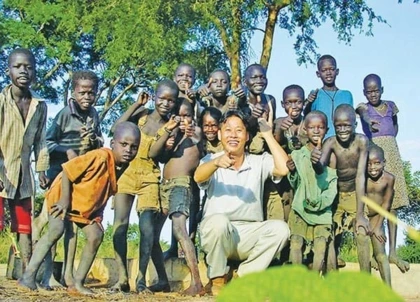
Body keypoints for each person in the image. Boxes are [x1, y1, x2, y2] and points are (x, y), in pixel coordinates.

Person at [18, 122, 140, 295]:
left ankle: (77, 284)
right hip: (62, 197)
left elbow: (103, 190)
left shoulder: (122, 165)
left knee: (96, 235)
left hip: (82, 206)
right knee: (56, 230)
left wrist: (97, 215)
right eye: (124, 144)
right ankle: (28, 277)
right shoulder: (99, 156)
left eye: (134, 147)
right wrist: (64, 201)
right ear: (113, 143)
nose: (128, 150)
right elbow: (68, 170)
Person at [194, 110, 290, 296]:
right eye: (228, 130)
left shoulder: (258, 161)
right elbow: (198, 176)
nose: (233, 135)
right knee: (218, 222)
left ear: (247, 136)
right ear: (220, 135)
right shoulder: (211, 160)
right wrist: (216, 163)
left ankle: (243, 277)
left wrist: (268, 135)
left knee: (281, 230)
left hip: (247, 235)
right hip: (219, 236)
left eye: (239, 130)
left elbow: (284, 168)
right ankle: (218, 280)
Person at [32, 70, 104, 289]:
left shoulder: (93, 115)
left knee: (71, 227)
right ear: (74, 92)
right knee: (57, 226)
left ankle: (68, 274)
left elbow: (99, 142)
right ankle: (47, 276)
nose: (86, 97)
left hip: (78, 180)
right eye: (82, 92)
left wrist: (94, 139)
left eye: (91, 93)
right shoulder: (64, 113)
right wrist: (67, 152)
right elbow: (48, 142)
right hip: (59, 175)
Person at [110, 80, 178, 293]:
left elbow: (155, 154)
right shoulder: (141, 115)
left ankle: (140, 279)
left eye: (171, 100)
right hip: (126, 173)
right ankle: (122, 277)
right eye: (162, 98)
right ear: (154, 96)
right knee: (120, 226)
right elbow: (115, 129)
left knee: (147, 229)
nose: (165, 104)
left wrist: (166, 133)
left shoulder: (171, 127)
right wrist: (135, 105)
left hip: (150, 176)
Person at [0, 48, 49, 274]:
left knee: (24, 225)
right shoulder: (1, 101)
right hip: (3, 170)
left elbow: (40, 140)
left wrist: (41, 170)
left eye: (28, 67)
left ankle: (27, 273)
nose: (23, 71)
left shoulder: (39, 106)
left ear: (35, 73)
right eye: (18, 66)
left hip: (23, 174)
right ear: (8, 70)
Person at [149, 98, 204, 296]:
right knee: (153, 235)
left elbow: (199, 141)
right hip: (164, 185)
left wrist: (193, 135)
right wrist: (168, 144)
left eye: (187, 115)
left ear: (193, 116)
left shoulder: (195, 132)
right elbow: (161, 156)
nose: (183, 119)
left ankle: (196, 282)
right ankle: (163, 280)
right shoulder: (171, 133)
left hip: (182, 184)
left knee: (179, 229)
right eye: (178, 115)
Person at [356, 73, 410, 273]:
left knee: (392, 205)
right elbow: (363, 113)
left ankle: (393, 252)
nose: (372, 94)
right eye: (369, 91)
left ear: (382, 89)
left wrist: (389, 141)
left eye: (376, 90)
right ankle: (374, 253)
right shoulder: (363, 107)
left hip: (391, 153)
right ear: (364, 92)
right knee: (375, 204)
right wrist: (368, 122)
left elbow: (395, 126)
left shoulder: (390, 105)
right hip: (374, 155)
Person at [311, 104, 371, 272]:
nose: (343, 129)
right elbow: (320, 169)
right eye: (339, 126)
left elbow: (361, 176)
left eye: (347, 125)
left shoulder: (362, 141)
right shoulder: (330, 142)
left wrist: (360, 214)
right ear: (334, 125)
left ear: (355, 125)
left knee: (361, 233)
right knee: (328, 233)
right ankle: (331, 279)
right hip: (335, 194)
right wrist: (315, 161)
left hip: (355, 194)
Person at [287, 111, 337, 273]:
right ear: (305, 130)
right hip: (300, 207)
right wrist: (292, 172)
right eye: (311, 127)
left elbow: (331, 185)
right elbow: (295, 184)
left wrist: (321, 202)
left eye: (320, 127)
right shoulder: (297, 155)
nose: (316, 131)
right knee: (295, 242)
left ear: (327, 129)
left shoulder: (331, 156)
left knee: (321, 245)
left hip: (323, 210)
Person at [271, 84, 307, 221]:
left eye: (298, 102)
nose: (294, 106)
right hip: (286, 178)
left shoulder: (308, 122)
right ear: (282, 104)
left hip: (305, 175)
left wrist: (302, 142)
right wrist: (280, 130)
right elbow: (274, 145)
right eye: (289, 102)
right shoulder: (279, 122)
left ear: (303, 103)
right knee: (288, 209)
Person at [303, 54, 353, 139]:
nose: (328, 73)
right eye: (324, 70)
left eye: (331, 69)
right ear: (318, 74)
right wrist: (309, 103)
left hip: (344, 140)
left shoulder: (346, 95)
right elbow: (307, 117)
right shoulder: (315, 94)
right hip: (322, 141)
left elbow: (351, 119)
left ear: (337, 71)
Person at [365, 144, 393, 286]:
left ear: (384, 163)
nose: (372, 167)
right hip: (364, 216)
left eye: (377, 163)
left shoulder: (389, 179)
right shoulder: (362, 178)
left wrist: (378, 225)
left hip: (377, 217)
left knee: (381, 254)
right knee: (364, 250)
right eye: (368, 164)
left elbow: (386, 204)